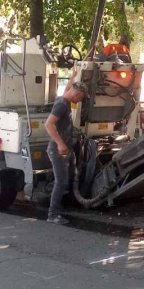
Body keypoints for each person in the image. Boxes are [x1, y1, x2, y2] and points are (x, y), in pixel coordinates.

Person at [44, 80, 90, 224]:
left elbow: (68, 88)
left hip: (66, 149)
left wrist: (74, 75)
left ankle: (56, 203)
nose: (80, 100)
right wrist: (60, 144)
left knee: (68, 177)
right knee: (61, 181)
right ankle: (52, 215)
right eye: (81, 97)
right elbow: (48, 124)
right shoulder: (61, 104)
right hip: (58, 150)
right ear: (76, 94)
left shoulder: (64, 99)